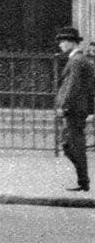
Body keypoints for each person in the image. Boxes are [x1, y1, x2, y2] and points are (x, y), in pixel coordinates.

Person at [53, 27, 95, 192]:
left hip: (74, 109)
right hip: (77, 108)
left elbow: (73, 85)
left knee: (73, 144)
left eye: (63, 42)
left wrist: (64, 106)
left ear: (71, 42)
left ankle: (83, 181)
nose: (61, 45)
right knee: (70, 144)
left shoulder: (77, 60)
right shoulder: (79, 59)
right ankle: (83, 180)